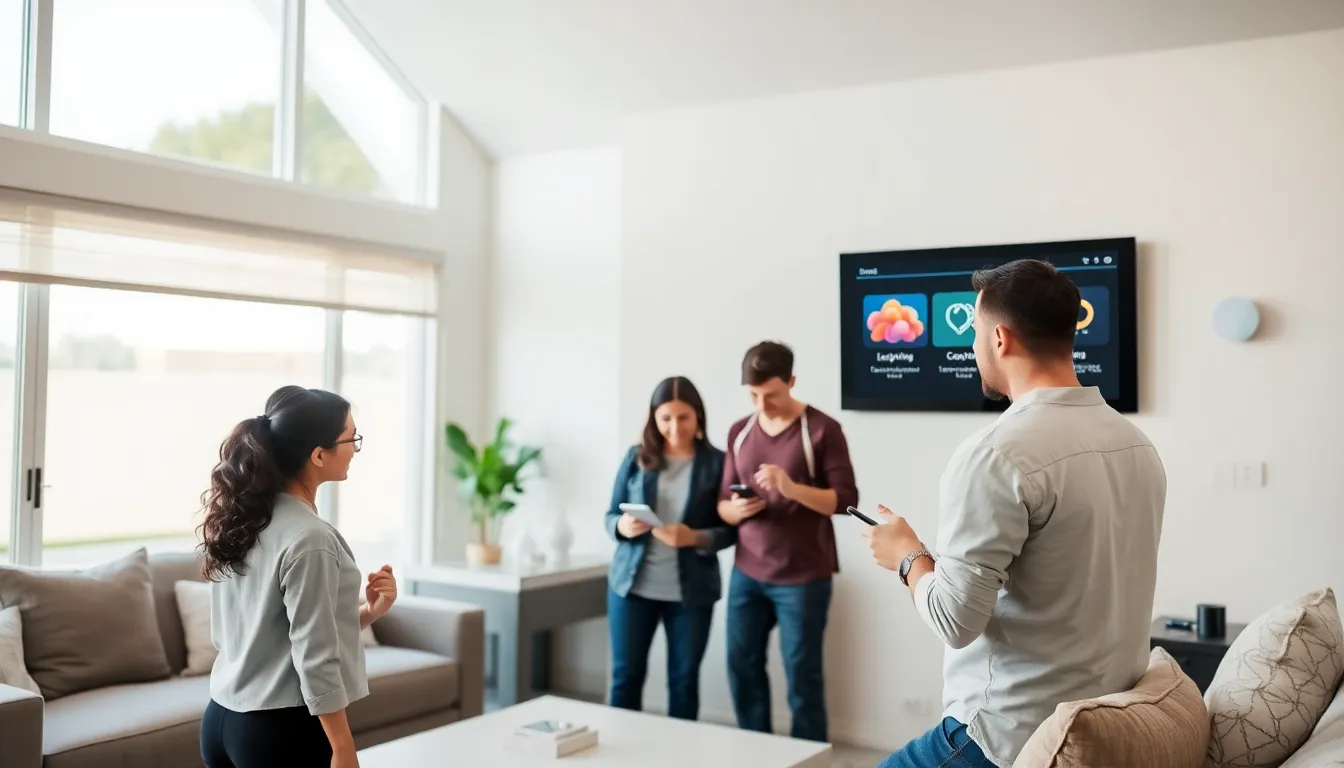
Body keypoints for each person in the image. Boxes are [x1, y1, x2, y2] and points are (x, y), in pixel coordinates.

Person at [862, 259, 1166, 768]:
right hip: (1102, 720)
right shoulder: (1135, 443)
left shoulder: (995, 454)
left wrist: (906, 553)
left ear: (1000, 338)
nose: (973, 345)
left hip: (1006, 735)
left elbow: (954, 620)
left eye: (976, 331)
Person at [197, 385, 398, 768]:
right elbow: (315, 655)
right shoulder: (310, 537)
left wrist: (368, 614)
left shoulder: (246, 519)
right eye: (350, 438)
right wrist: (342, 745)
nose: (355, 448)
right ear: (319, 455)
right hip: (279, 731)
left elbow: (275, 633)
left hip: (222, 719)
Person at [718, 341, 858, 743]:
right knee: (742, 666)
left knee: (802, 676)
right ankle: (757, 750)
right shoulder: (739, 432)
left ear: (792, 382)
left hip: (803, 577)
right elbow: (722, 504)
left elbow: (846, 499)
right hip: (747, 572)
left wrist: (790, 487)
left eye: (772, 395)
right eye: (754, 396)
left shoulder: (822, 430)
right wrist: (735, 511)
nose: (762, 405)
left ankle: (807, 757)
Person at [604, 376, 735, 721]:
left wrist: (692, 537)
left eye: (683, 418)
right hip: (631, 588)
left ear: (698, 417)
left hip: (691, 594)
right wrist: (622, 526)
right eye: (665, 418)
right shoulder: (636, 458)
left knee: (683, 681)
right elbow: (609, 515)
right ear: (654, 419)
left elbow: (730, 532)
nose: (674, 427)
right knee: (625, 678)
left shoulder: (718, 463)